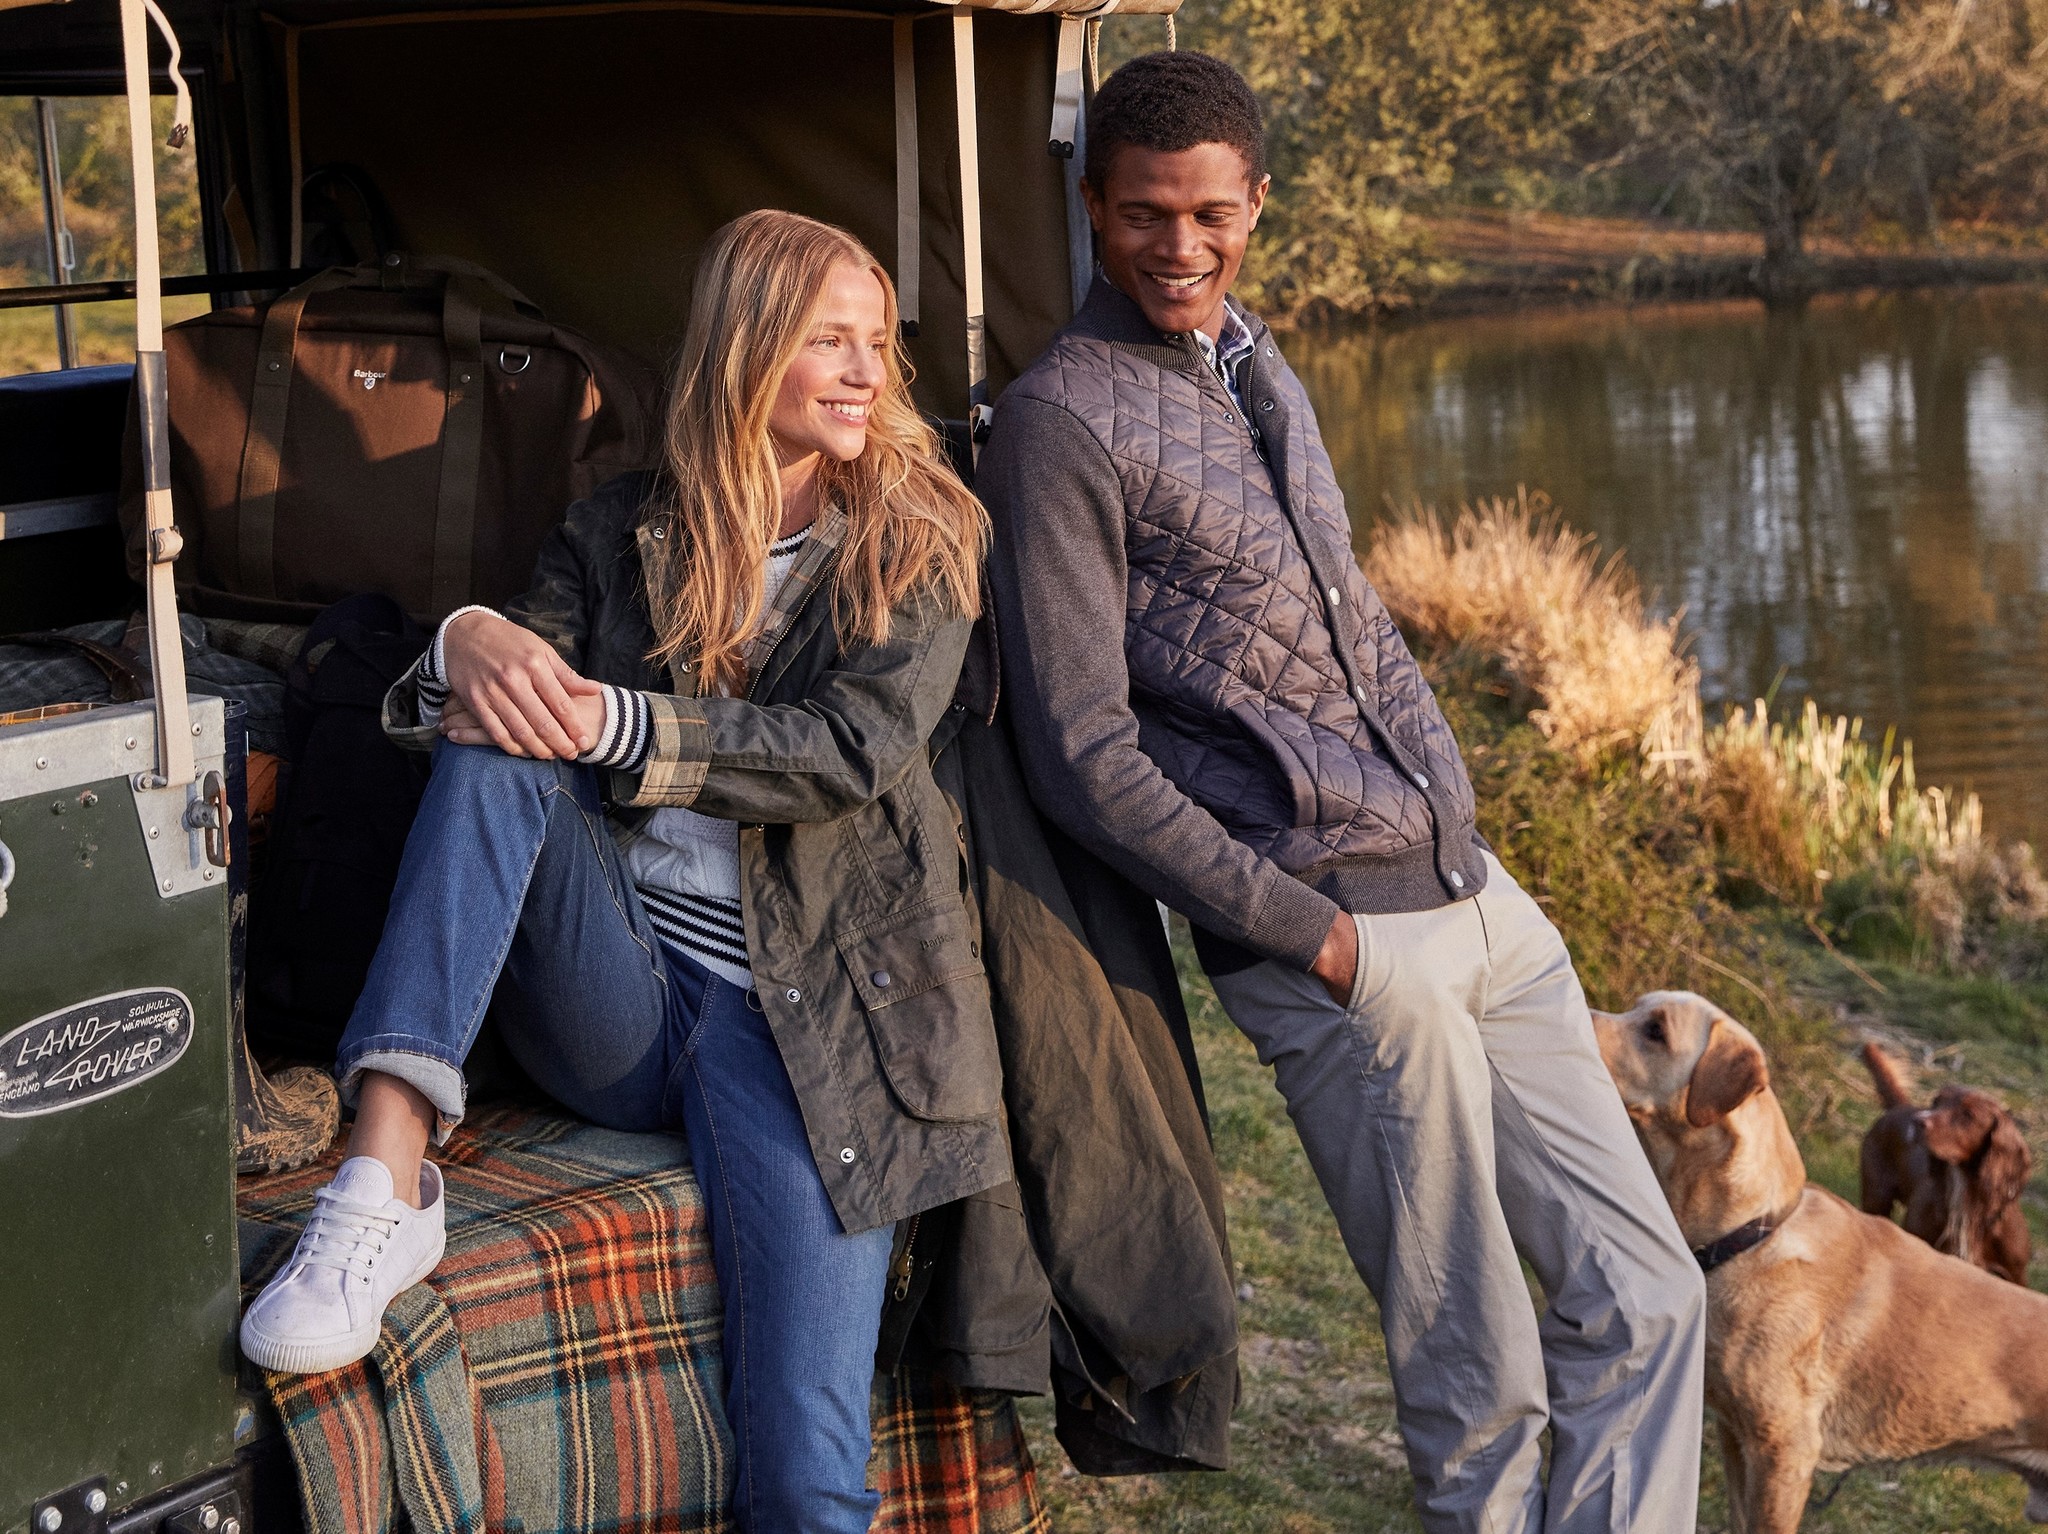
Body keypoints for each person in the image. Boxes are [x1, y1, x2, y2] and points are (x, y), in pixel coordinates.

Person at [976, 51, 1708, 1534]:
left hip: (1477, 897)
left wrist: (1462, 804)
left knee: (1649, 1297)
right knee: (1481, 1377)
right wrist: (1311, 937)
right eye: (1142, 215)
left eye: (1208, 214)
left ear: (1258, 205)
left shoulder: (1257, 358)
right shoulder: (1062, 422)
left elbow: (1345, 609)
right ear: (1091, 204)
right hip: (1340, 944)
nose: (1178, 248)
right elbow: (1079, 753)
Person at [239, 209, 1007, 1533]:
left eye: (877, 343)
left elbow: (842, 754)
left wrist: (617, 722)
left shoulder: (922, 537)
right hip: (622, 994)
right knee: (500, 741)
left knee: (805, 1476)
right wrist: (468, 641)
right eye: (829, 338)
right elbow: (501, 698)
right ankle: (382, 1178)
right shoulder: (620, 531)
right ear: (744, 344)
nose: (865, 372)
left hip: (807, 1022)